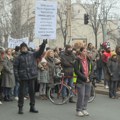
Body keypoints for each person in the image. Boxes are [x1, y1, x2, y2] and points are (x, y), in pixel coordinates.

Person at [14, 39, 47, 114]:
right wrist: (17, 77)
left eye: (25, 47)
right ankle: (20, 107)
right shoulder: (18, 57)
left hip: (32, 76)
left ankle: (32, 107)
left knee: (32, 93)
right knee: (21, 93)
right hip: (23, 77)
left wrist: (43, 44)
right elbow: (15, 68)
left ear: (27, 47)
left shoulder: (32, 54)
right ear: (20, 49)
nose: (24, 48)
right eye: (22, 48)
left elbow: (40, 52)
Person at [74, 47, 92, 117]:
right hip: (81, 80)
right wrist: (85, 78)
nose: (85, 52)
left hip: (88, 80)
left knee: (87, 95)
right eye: (84, 51)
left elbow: (91, 69)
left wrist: (90, 77)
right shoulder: (77, 60)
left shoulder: (88, 59)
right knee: (81, 96)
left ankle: (84, 108)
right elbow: (76, 71)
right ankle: (78, 110)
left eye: (86, 51)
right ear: (81, 52)